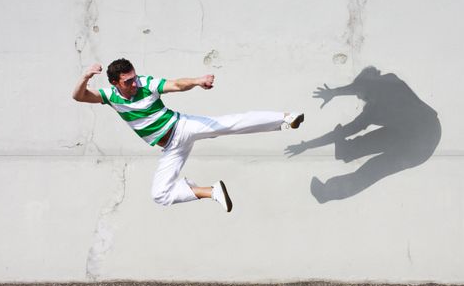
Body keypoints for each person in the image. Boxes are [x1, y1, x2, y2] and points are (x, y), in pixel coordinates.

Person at [73, 58, 304, 212]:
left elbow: (175, 84)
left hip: (182, 127)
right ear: (115, 83)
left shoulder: (146, 83)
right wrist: (85, 77)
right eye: (128, 81)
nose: (134, 83)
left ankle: (285, 118)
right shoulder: (109, 96)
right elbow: (79, 97)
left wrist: (196, 81)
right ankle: (211, 191)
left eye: (134, 77)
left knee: (229, 124)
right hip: (171, 148)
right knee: (160, 195)